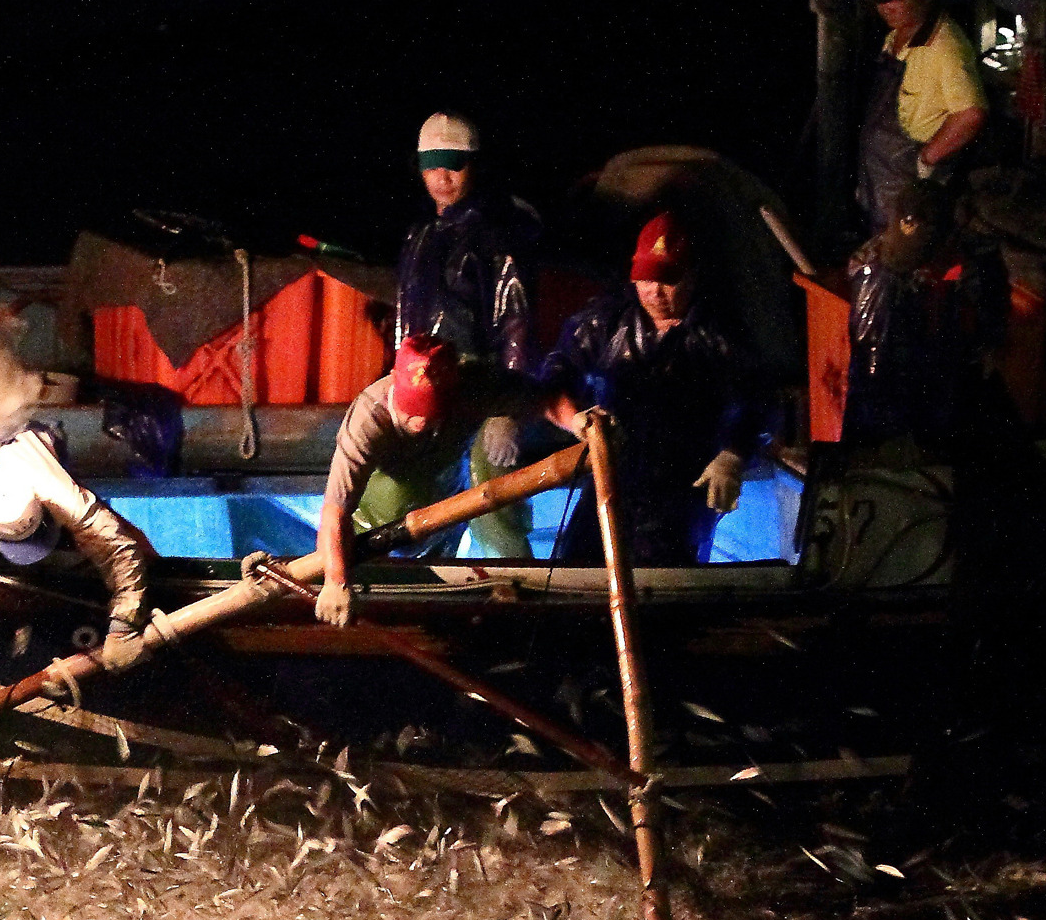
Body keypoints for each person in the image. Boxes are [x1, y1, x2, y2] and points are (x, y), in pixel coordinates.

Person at [536, 212, 773, 565]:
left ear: (692, 276)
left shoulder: (720, 334)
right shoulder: (605, 321)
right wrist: (576, 420)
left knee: (665, 571)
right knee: (577, 563)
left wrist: (733, 454)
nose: (654, 292)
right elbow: (554, 376)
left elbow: (758, 398)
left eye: (668, 280)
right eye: (645, 279)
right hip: (610, 471)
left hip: (682, 484)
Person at [0, 423, 154, 749]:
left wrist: (124, 623)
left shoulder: (56, 490)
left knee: (107, 534)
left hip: (33, 446)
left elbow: (117, 546)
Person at [314, 337, 577, 626]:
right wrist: (335, 581)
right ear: (394, 380)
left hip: (444, 522)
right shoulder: (367, 419)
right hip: (372, 538)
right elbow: (334, 512)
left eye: (429, 409)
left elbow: (546, 399)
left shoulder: (476, 387)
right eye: (410, 407)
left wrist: (578, 422)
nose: (419, 421)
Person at [396, 111, 544, 558]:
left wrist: (508, 410)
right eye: (433, 163)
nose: (442, 176)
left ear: (475, 165)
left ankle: (514, 584)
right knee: (406, 493)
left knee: (491, 487)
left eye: (454, 163)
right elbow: (407, 322)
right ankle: (421, 585)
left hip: (482, 384)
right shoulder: (419, 235)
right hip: (428, 386)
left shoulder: (498, 233)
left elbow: (515, 320)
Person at [843, 181, 1007, 444]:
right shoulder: (874, 271)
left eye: (922, 257)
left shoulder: (978, 268)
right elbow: (873, 377)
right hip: (912, 414)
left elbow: (987, 340)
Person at [857, 0, 988, 237]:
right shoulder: (895, 36)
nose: (886, 6)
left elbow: (971, 113)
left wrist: (927, 158)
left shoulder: (945, 46)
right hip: (880, 184)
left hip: (908, 192)